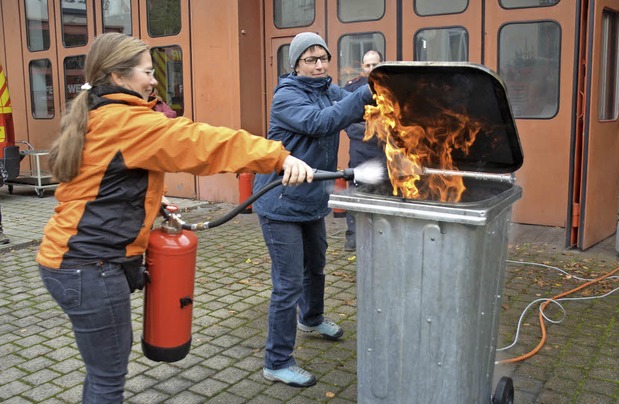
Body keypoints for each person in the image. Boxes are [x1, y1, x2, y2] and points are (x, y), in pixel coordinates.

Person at [36, 32, 314, 404]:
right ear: (118, 77)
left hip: (71, 261)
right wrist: (278, 157)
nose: (153, 80)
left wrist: (151, 202)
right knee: (107, 377)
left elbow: (100, 183)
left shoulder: (100, 112)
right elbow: (200, 141)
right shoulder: (127, 121)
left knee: (103, 370)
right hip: (89, 266)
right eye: (147, 72)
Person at [252, 32, 373, 387]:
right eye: (311, 59)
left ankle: (312, 318)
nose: (320, 65)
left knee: (316, 266)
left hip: (311, 201)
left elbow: (351, 111)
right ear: (296, 64)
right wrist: (366, 92)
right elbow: (322, 122)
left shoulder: (328, 90)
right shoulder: (286, 96)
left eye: (323, 58)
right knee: (288, 283)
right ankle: (276, 361)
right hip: (280, 203)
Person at [343, 50, 386, 251]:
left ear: (381, 64)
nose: (371, 69)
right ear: (362, 67)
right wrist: (377, 130)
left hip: (384, 154)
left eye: (374, 65)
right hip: (360, 152)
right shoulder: (351, 89)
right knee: (357, 194)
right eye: (367, 65)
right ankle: (353, 238)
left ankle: (381, 237)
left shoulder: (392, 89)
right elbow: (349, 125)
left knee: (384, 194)